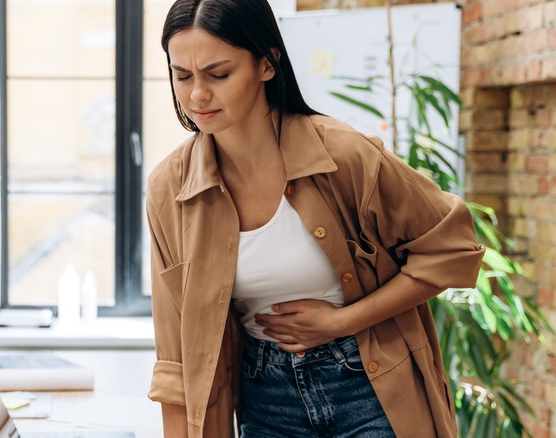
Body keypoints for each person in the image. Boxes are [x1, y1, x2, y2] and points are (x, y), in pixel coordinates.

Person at [146, 0, 485, 436]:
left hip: (369, 386)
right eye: (182, 75)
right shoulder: (169, 190)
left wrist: (343, 321)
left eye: (219, 73)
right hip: (265, 398)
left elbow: (451, 250)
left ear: (267, 65)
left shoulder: (344, 156)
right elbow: (176, 360)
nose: (197, 95)